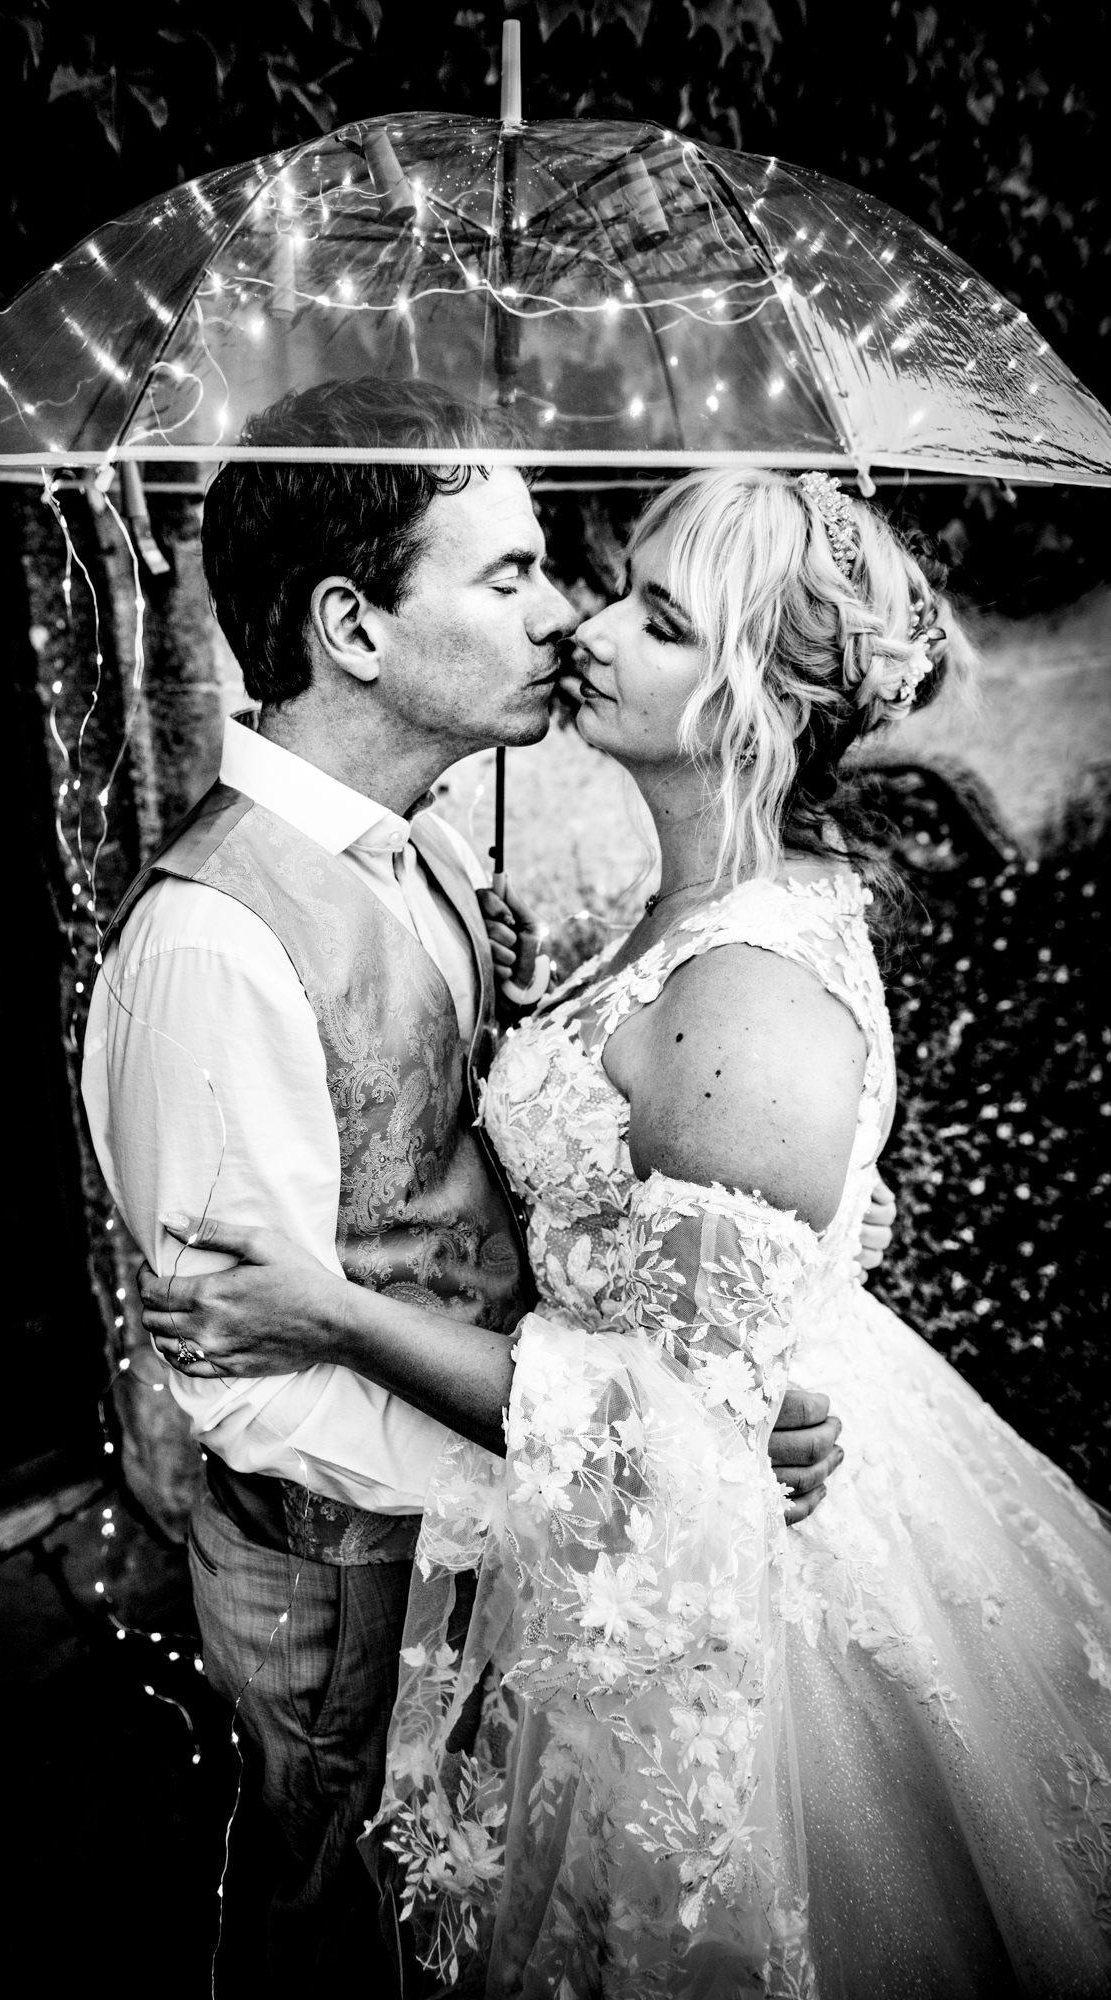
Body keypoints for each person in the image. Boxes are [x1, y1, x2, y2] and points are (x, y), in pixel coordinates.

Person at [139, 465, 1111, 1997]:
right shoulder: (667, 928)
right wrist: (534, 1009)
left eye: (653, 619)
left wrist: (324, 1310)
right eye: (608, 589)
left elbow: (666, 1425)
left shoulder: (748, 995)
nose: (585, 628)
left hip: (709, 1592)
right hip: (583, 1543)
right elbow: (636, 1234)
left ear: (747, 709)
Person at [82, 381, 880, 1994]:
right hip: (349, 1581)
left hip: (532, 1537)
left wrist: (717, 1408)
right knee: (333, 1917)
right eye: (507, 577)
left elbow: (560, 1199)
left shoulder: (435, 849)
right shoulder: (206, 946)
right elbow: (244, 1384)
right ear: (352, 629)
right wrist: (573, 1492)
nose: (563, 618)